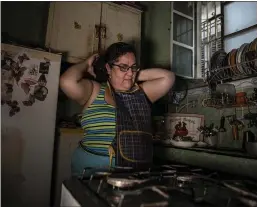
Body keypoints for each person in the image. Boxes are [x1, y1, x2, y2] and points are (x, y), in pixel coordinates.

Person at [60, 42, 175, 177]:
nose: (129, 72)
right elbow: (66, 82)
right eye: (123, 67)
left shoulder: (141, 93)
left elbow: (168, 78)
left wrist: (132, 75)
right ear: (108, 68)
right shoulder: (94, 91)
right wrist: (86, 64)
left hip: (130, 172)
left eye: (133, 67)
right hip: (88, 171)